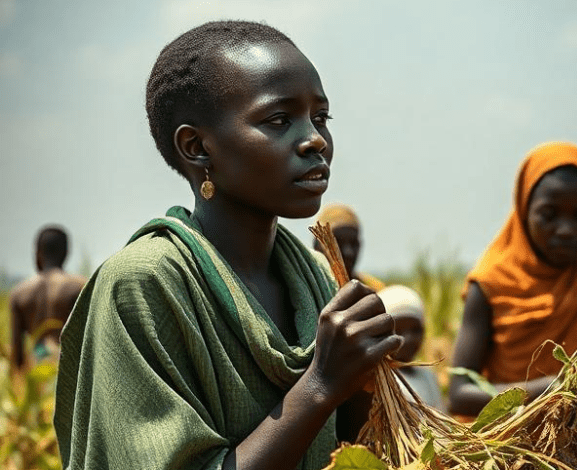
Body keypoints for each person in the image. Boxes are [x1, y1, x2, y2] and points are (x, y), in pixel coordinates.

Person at [53, 21, 402, 470]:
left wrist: (363, 383)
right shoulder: (143, 285)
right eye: (279, 120)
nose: (315, 139)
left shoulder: (316, 282)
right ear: (197, 147)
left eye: (320, 118)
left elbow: (345, 452)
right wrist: (320, 383)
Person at [448, 142, 577, 419]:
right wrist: (546, 391)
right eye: (549, 215)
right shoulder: (490, 283)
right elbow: (459, 395)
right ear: (524, 210)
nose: (565, 230)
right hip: (506, 446)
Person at [9, 225, 86, 369]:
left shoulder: (19, 292)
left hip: (36, 372)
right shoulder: (80, 287)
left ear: (38, 253)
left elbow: (17, 355)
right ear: (66, 253)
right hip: (67, 369)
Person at [377, 285, 444, 410]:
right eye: (398, 330)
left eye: (415, 330)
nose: (408, 338)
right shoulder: (378, 380)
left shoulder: (428, 376)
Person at [312, 203, 385, 291]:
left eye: (353, 243)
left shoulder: (375, 291)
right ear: (318, 247)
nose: (348, 252)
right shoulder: (309, 290)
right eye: (337, 243)